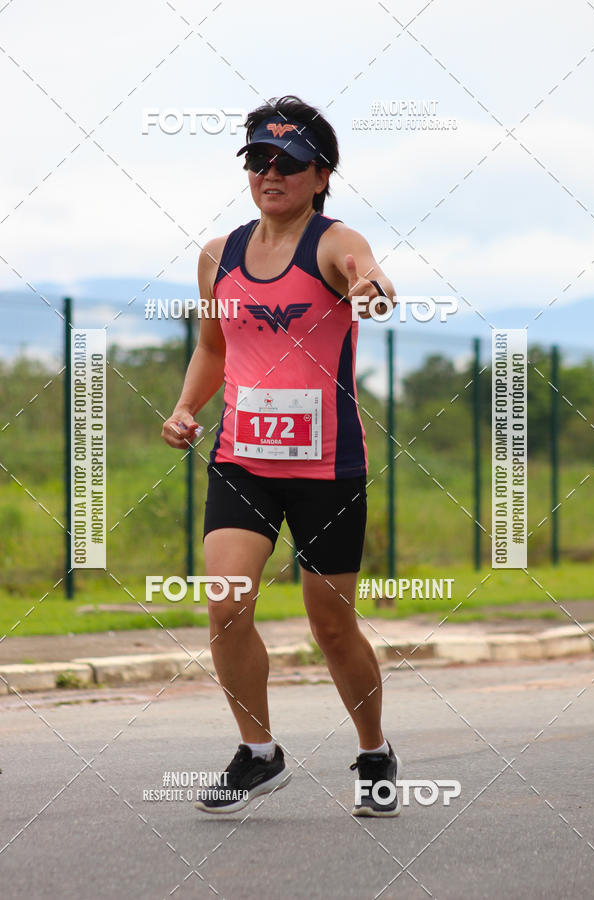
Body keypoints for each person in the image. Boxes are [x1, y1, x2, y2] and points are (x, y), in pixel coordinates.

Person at [161, 95, 400, 817]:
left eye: (288, 164)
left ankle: (372, 750)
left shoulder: (333, 242)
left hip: (328, 467)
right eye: (259, 162)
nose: (271, 174)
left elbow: (373, 280)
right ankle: (259, 754)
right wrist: (185, 408)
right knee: (226, 602)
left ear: (320, 175)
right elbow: (213, 347)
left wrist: (373, 289)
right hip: (244, 460)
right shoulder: (217, 256)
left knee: (332, 626)